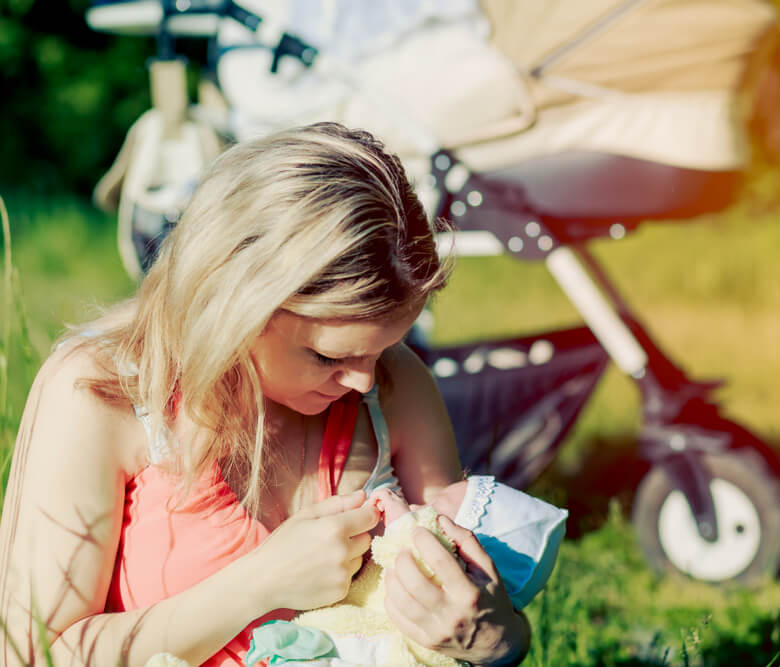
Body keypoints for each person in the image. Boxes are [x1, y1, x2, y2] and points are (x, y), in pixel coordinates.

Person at [0, 122, 531, 666]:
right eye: (327, 357)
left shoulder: (395, 386)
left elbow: (476, 605)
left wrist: (494, 640)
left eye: (383, 348)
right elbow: (30, 654)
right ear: (231, 305)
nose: (363, 381)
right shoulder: (104, 395)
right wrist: (259, 585)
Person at [244, 477, 569, 666]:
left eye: (436, 509)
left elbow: (412, 542)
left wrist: (390, 503)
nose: (416, 506)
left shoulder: (428, 570)